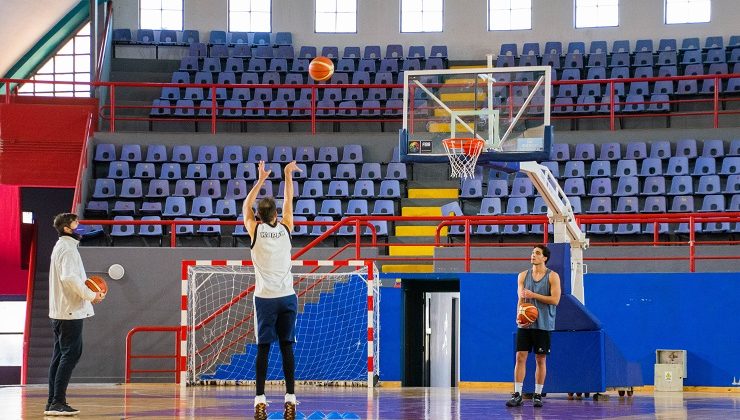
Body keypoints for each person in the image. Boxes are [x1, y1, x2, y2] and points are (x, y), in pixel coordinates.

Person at [243, 161, 302, 420]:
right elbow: (290, 200)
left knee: (264, 350)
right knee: (287, 347)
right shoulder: (286, 228)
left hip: (265, 300)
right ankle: (290, 399)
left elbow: (245, 205)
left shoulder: (254, 229)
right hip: (287, 298)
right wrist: (287, 175)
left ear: (259, 215)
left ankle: (259, 401)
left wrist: (260, 180)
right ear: (276, 215)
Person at [46, 213, 105, 416]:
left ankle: (52, 401)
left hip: (61, 311)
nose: (80, 227)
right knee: (70, 355)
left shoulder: (61, 246)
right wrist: (90, 295)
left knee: (59, 356)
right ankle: (57, 402)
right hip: (69, 311)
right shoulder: (68, 250)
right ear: (67, 229)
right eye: (76, 224)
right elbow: (70, 279)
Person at [506, 245, 561, 408]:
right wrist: (519, 315)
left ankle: (538, 395)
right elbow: (521, 300)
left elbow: (555, 300)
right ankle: (517, 395)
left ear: (544, 258)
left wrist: (533, 295)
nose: (533, 255)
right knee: (520, 357)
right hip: (525, 324)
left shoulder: (553, 276)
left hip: (544, 323)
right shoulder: (523, 276)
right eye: (532, 253)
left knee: (540, 359)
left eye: (537, 253)